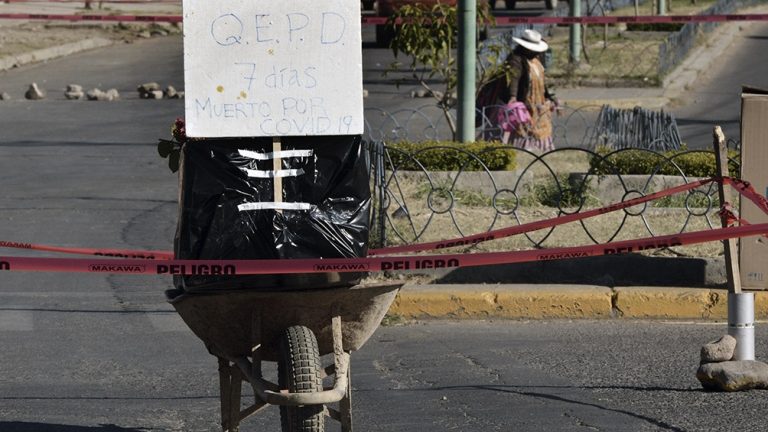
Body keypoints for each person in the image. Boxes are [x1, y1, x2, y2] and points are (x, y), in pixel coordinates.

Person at [494, 29, 558, 151]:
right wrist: (512, 96)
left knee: (539, 127)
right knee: (523, 128)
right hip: (523, 102)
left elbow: (543, 80)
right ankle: (523, 148)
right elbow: (514, 78)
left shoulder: (536, 60)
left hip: (538, 102)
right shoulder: (515, 59)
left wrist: (552, 97)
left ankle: (540, 149)